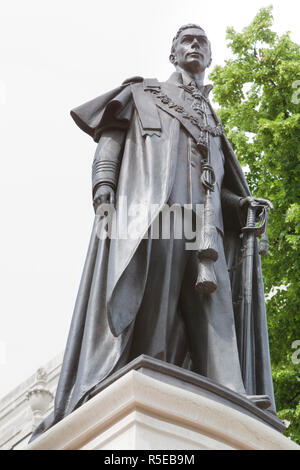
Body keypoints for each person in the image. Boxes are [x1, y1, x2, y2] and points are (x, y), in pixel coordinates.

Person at [30, 24, 276, 441]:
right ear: (173, 54)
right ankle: (151, 370)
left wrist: (243, 207)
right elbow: (110, 137)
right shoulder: (143, 93)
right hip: (158, 216)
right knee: (156, 299)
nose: (195, 45)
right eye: (187, 40)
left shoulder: (213, 122)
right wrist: (103, 187)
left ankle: (230, 391)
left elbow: (221, 187)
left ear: (210, 58)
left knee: (215, 312)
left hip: (207, 228)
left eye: (202, 41)